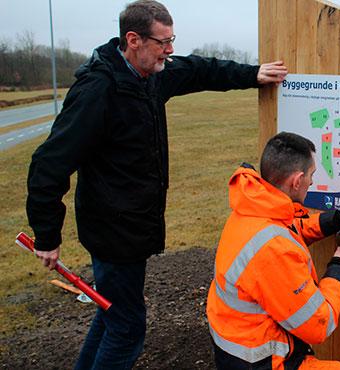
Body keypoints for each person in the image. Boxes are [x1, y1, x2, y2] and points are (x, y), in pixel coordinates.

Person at [25, 1, 287, 368]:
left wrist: (253, 73)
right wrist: (47, 235)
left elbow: (200, 70)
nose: (170, 49)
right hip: (113, 232)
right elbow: (48, 164)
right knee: (127, 327)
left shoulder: (149, 75)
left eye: (172, 39)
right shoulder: (99, 90)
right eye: (163, 41)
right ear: (133, 40)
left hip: (133, 227)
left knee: (113, 313)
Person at [206, 132, 340, 369]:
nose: (312, 181)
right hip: (265, 363)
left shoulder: (252, 211)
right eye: (311, 175)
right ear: (297, 181)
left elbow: (292, 228)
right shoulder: (274, 250)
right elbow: (320, 324)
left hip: (240, 350)